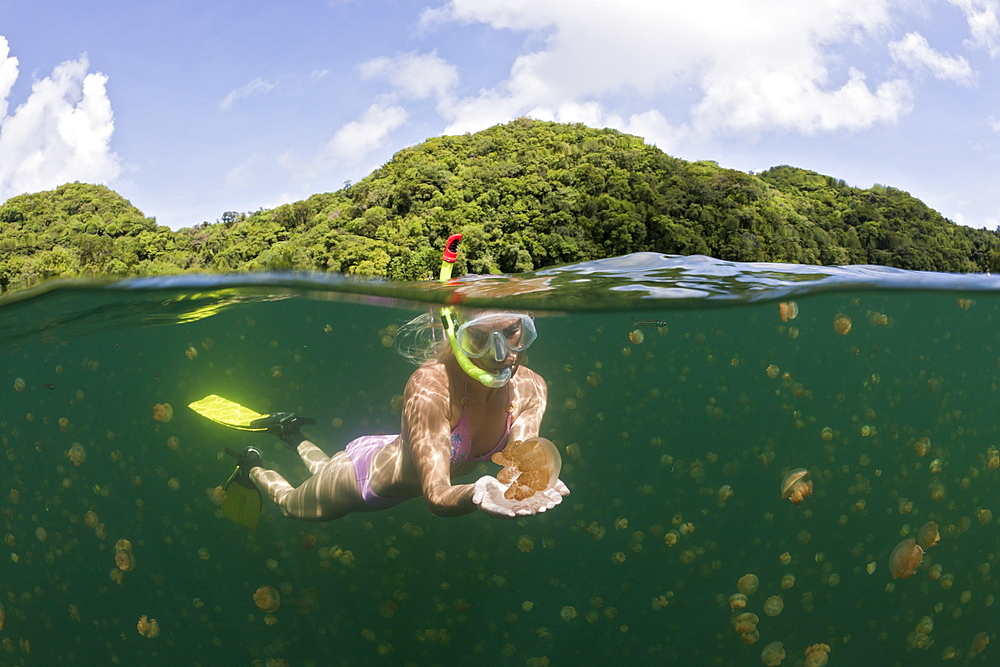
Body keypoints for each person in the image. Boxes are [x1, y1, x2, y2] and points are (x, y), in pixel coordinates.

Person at [234, 308, 569, 521]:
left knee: (324, 468)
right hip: (364, 478)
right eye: (479, 337)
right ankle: (252, 469)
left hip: (397, 446)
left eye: (511, 331)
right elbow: (437, 494)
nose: (500, 355)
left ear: (527, 325)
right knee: (291, 504)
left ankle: (290, 433)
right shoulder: (432, 385)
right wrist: (474, 492)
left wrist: (528, 482)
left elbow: (519, 463)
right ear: (456, 332)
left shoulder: (531, 387)